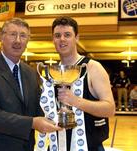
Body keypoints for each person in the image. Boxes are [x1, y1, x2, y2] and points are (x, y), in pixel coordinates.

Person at [0, 18, 61, 151]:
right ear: (2, 37)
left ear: (27, 41)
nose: (18, 40)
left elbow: (37, 108)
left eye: (23, 35)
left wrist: (60, 112)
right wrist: (32, 123)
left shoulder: (30, 72)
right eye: (13, 34)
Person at [51, 16, 115, 151]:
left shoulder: (93, 67)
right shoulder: (53, 72)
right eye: (57, 35)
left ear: (77, 38)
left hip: (89, 146)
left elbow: (110, 109)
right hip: (58, 144)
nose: (62, 39)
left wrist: (76, 101)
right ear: (53, 40)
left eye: (67, 35)